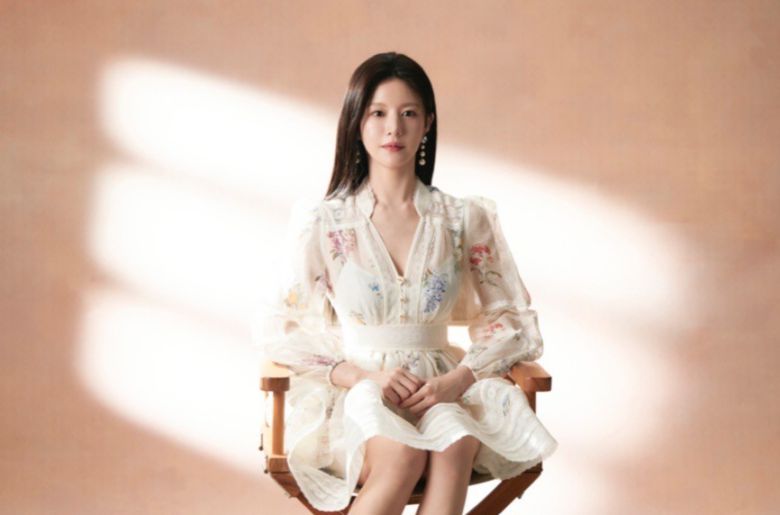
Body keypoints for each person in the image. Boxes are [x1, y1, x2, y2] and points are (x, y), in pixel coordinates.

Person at [254, 51, 558, 515]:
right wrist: (361, 376)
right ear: (357, 122)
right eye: (378, 113)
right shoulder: (324, 222)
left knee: (456, 443)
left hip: (441, 388)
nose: (393, 128)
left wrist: (458, 379)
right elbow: (279, 326)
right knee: (401, 455)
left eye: (408, 113)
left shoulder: (462, 218)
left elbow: (513, 319)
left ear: (427, 123)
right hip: (356, 391)